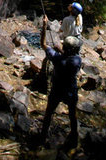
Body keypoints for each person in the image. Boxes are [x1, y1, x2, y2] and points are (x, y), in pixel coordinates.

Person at [39, 15, 82, 148]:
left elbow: (43, 44)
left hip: (57, 89)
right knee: (72, 114)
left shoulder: (57, 58)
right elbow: (68, 57)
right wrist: (61, 50)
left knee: (49, 112)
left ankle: (43, 135)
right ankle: (74, 136)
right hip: (70, 90)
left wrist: (45, 27)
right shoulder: (77, 61)